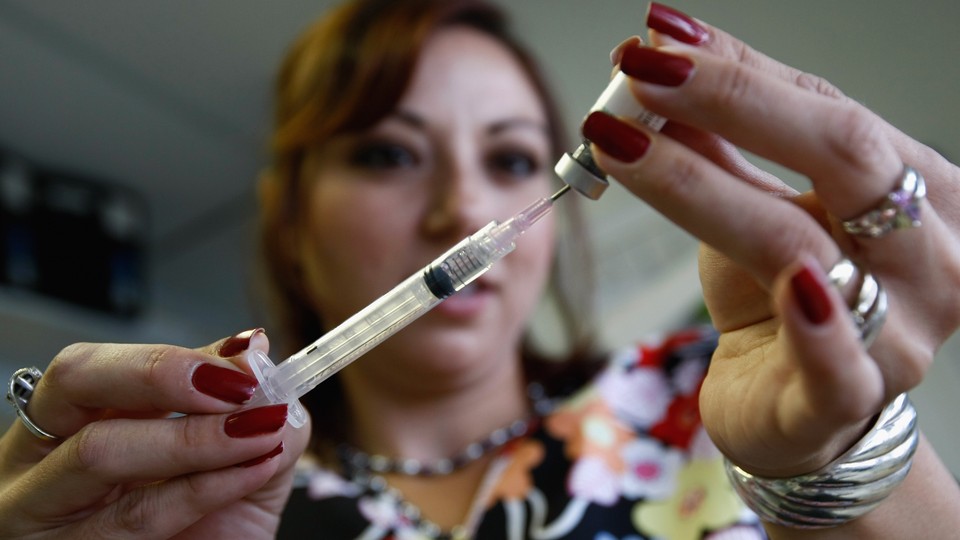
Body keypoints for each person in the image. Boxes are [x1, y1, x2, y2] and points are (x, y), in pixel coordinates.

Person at [1, 0, 958, 538]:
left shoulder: (705, 402)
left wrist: (836, 451)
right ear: (289, 219)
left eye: (507, 159)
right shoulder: (196, 504)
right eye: (387, 154)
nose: (464, 209)